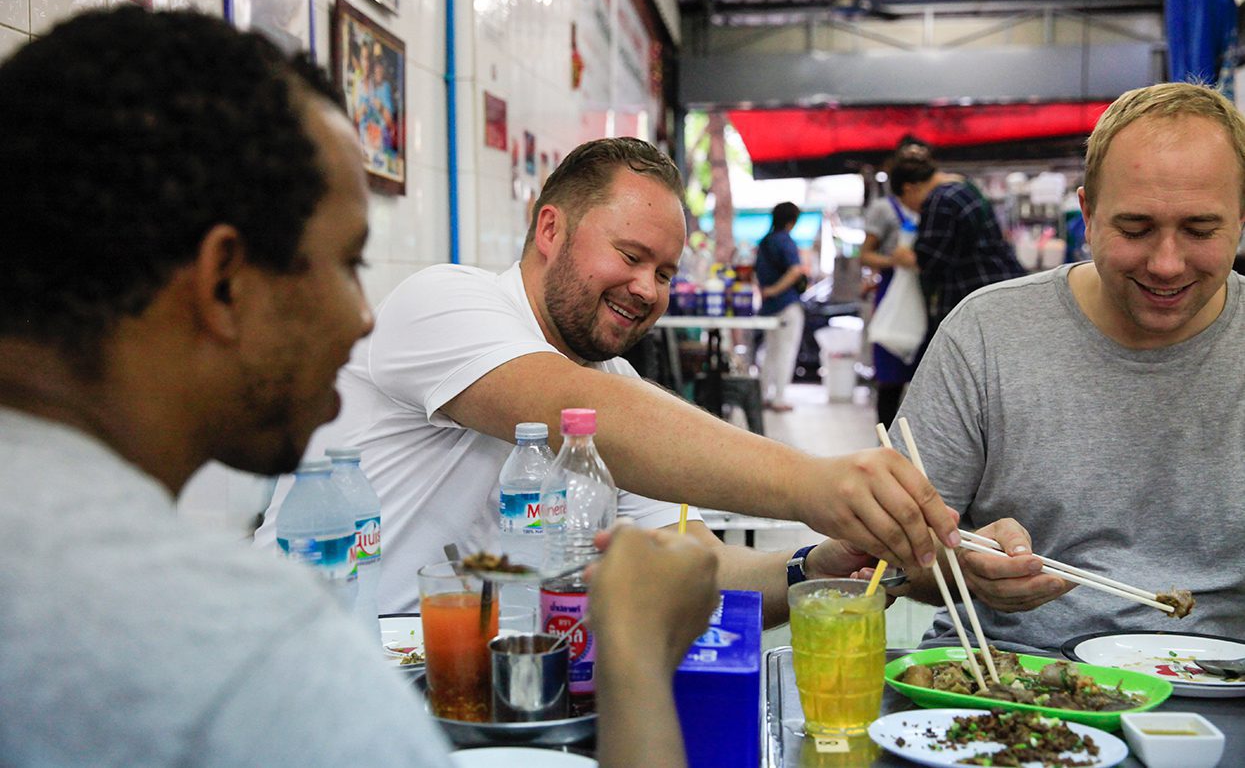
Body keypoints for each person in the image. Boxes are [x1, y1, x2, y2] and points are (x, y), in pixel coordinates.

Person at [0, 6, 719, 767]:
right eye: (345, 264)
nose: (361, 316)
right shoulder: (250, 658)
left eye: (664, 271)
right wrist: (635, 655)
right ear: (223, 284)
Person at [256, 137, 961, 627]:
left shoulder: (615, 387)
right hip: (341, 668)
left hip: (504, 695)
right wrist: (817, 485)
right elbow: (571, 409)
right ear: (550, 228)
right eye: (629, 255)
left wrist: (819, 564)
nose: (646, 290)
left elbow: (696, 568)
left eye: (663, 273)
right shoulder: (444, 302)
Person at [891, 81, 1245, 652]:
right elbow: (893, 555)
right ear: (1087, 213)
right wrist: (964, 565)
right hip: (1008, 681)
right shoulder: (988, 333)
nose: (1166, 263)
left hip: (1219, 687)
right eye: (1134, 229)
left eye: (1201, 230)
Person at [909, 157, 1026, 334]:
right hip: (999, 286)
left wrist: (910, 258)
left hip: (970, 291)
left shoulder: (940, 199)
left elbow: (932, 259)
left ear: (908, 188)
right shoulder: (966, 187)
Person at [861, 157, 926, 428]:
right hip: (892, 293)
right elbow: (865, 255)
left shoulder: (930, 207)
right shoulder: (883, 210)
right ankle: (886, 441)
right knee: (890, 376)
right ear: (909, 186)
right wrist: (895, 261)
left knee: (923, 377)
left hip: (921, 295)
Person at [755, 201, 809, 411]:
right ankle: (779, 398)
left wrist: (767, 292)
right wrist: (777, 290)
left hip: (769, 307)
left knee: (770, 351)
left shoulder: (764, 242)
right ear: (792, 221)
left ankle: (762, 394)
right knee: (785, 352)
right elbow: (795, 270)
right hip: (787, 305)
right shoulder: (785, 241)